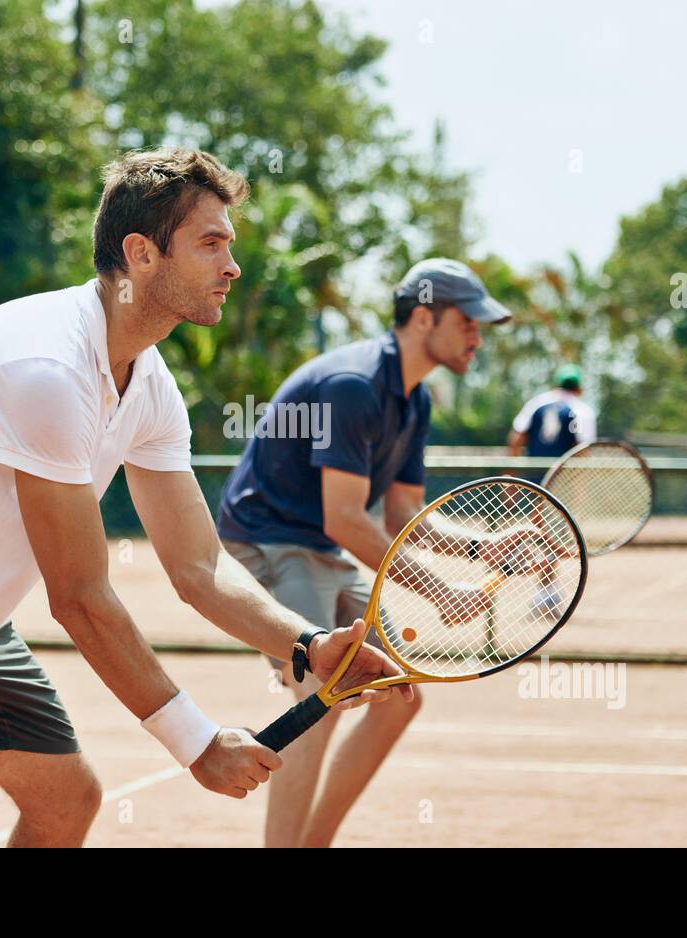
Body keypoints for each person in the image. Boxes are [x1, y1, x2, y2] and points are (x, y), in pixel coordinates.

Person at [0, 147, 409, 848]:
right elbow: (80, 598)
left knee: (67, 804)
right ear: (141, 253)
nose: (232, 267)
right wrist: (198, 744)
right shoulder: (46, 371)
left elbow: (198, 568)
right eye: (211, 244)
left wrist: (307, 645)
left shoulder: (147, 383)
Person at [216, 257, 514, 848]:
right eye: (469, 322)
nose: (478, 337)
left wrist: (488, 546)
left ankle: (313, 842)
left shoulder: (413, 401)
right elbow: (346, 518)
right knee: (322, 695)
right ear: (424, 317)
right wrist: (438, 591)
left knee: (398, 697)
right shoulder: (352, 387)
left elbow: (404, 518)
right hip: (263, 543)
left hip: (318, 547)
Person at [506, 364, 597, 460]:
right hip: (562, 474)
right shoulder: (582, 410)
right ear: (579, 389)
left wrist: (511, 470)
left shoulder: (536, 403)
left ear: (556, 384)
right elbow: (583, 449)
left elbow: (516, 439)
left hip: (532, 472)